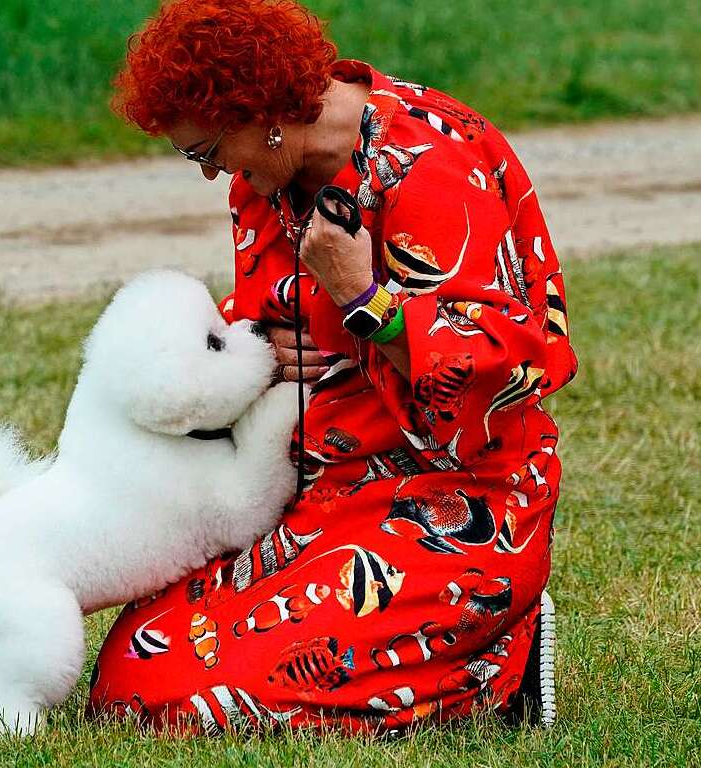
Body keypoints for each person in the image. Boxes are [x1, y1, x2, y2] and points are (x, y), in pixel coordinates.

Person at [88, 0, 576, 735]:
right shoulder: (267, 180)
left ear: (261, 111)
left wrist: (365, 298)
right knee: (131, 673)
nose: (213, 174)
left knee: (193, 705)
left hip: (454, 500)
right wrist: (256, 339)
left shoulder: (432, 163)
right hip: (323, 499)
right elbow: (268, 316)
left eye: (208, 151)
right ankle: (451, 655)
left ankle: (492, 670)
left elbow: (502, 366)